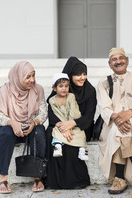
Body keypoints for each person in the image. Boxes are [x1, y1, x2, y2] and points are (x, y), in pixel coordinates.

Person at [97, 47, 132, 195]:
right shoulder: (103, 83)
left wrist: (127, 115)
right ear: (109, 64)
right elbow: (105, 108)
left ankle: (119, 178)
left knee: (125, 127)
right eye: (114, 60)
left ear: (127, 60)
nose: (118, 62)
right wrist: (117, 118)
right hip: (111, 125)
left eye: (121, 58)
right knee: (119, 129)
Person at [45, 57, 96, 189]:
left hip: (82, 125)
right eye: (78, 74)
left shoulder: (90, 91)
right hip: (61, 125)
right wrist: (64, 127)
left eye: (84, 74)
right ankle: (55, 181)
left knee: (73, 137)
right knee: (51, 134)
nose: (82, 77)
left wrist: (72, 124)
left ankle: (76, 181)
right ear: (70, 75)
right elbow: (52, 112)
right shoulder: (63, 89)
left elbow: (89, 117)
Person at [0, 61, 47, 194]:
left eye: (33, 76)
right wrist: (13, 123)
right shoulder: (5, 90)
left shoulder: (38, 89)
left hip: (30, 127)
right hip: (11, 127)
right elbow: (0, 116)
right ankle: (3, 177)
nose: (32, 80)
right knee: (5, 134)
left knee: (39, 132)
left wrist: (34, 123)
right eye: (28, 77)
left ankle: (38, 176)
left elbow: (43, 113)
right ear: (18, 76)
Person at [49, 73, 88, 161]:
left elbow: (74, 111)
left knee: (80, 133)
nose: (64, 88)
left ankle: (82, 150)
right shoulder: (52, 101)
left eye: (66, 86)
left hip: (71, 123)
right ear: (54, 88)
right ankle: (58, 146)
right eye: (61, 86)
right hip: (61, 124)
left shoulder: (71, 96)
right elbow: (55, 114)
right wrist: (63, 127)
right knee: (56, 131)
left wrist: (69, 126)